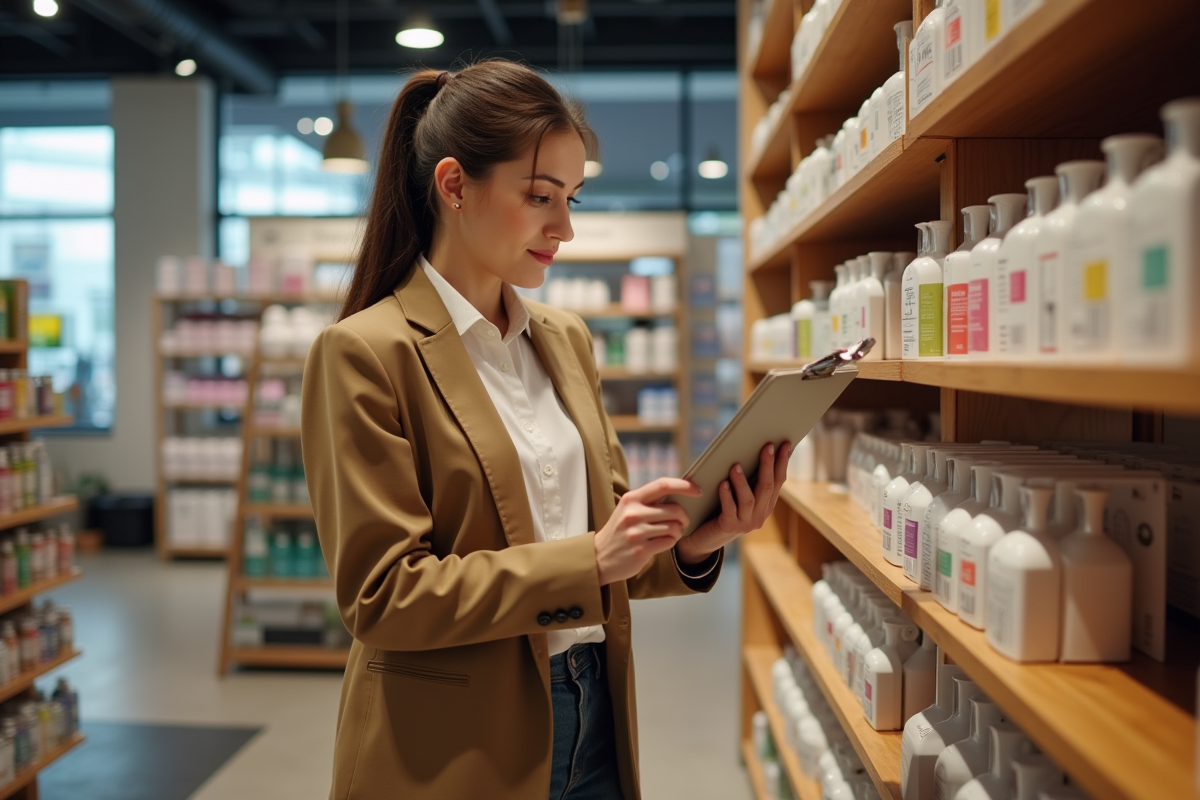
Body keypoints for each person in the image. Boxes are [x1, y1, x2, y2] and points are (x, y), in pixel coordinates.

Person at [301, 60, 791, 800]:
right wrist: (590, 560)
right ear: (454, 185)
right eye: (539, 198)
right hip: (452, 741)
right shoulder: (366, 354)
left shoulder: (565, 339)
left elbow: (609, 538)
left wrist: (693, 539)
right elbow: (383, 597)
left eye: (571, 198)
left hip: (595, 708)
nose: (564, 228)